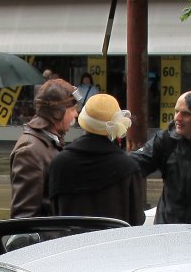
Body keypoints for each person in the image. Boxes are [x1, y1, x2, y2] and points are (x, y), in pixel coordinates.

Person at [47, 93, 145, 224]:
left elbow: (53, 213)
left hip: (71, 237)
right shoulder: (128, 167)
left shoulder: (59, 163)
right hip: (114, 237)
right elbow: (137, 220)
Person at [131, 90, 191, 225]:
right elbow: (134, 164)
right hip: (168, 226)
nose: (177, 118)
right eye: (176, 111)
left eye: (186, 114)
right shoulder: (166, 140)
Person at [8, 79, 77, 218]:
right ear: (58, 112)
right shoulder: (29, 151)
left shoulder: (50, 141)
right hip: (47, 232)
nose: (76, 114)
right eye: (72, 109)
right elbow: (24, 217)